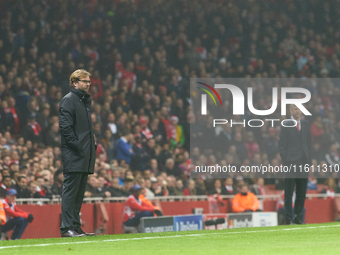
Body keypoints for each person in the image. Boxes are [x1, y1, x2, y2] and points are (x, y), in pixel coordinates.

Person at [59, 69, 96, 237]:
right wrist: (80, 148)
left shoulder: (82, 101)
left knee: (78, 194)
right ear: (74, 83)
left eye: (89, 81)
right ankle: (67, 228)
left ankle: (75, 227)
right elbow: (65, 129)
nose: (88, 84)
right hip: (75, 155)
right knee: (71, 193)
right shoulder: (69, 100)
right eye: (84, 81)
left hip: (83, 155)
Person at [279, 104, 312, 225]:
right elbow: (281, 145)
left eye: (299, 109)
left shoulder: (306, 124)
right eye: (295, 109)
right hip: (291, 162)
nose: (297, 111)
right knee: (288, 191)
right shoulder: (285, 124)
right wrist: (286, 161)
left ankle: (298, 217)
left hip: (303, 162)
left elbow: (309, 144)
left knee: (301, 191)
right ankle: (288, 218)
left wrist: (309, 161)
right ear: (290, 110)